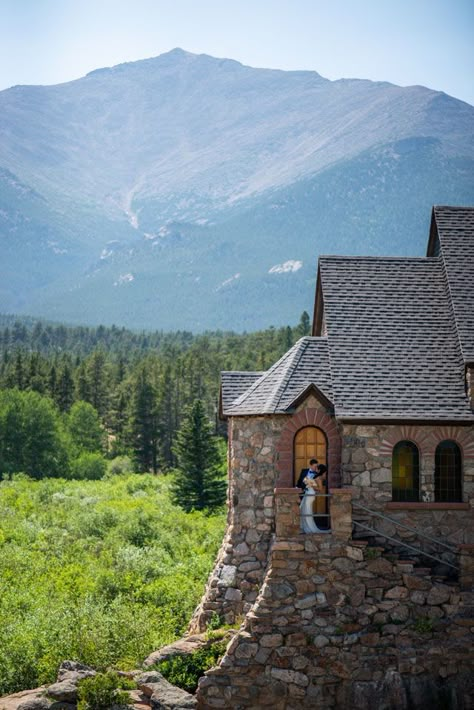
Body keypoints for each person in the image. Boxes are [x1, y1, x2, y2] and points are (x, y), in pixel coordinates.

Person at [314, 463, 329, 530]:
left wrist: (312, 486)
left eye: (317, 469)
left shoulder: (319, 478)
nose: (315, 469)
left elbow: (320, 489)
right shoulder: (317, 477)